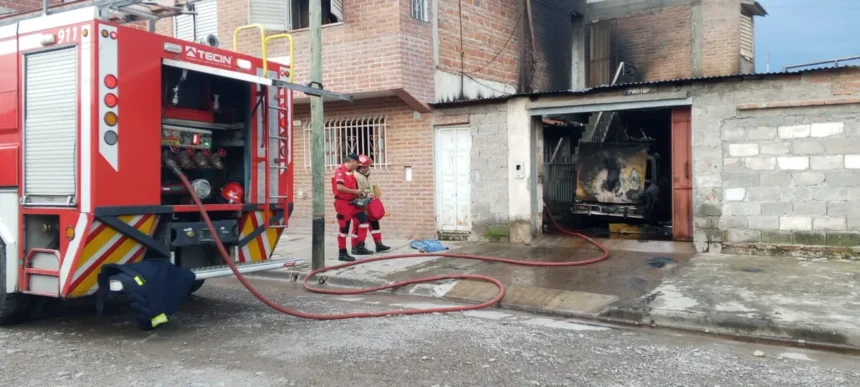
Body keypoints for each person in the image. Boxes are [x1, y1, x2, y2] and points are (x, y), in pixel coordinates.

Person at [332, 153, 373, 262]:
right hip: (343, 204)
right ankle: (342, 252)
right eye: (357, 163)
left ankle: (358, 246)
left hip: (353, 203)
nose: (358, 165)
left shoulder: (350, 172)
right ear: (351, 161)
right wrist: (355, 191)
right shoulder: (340, 171)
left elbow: (354, 188)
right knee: (344, 229)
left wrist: (362, 194)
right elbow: (339, 187)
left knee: (363, 222)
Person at [351, 154, 391, 254]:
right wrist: (367, 193)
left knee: (374, 223)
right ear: (358, 166)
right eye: (364, 167)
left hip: (369, 204)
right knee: (359, 226)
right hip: (360, 205)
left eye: (367, 166)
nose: (366, 168)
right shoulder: (355, 176)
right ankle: (357, 246)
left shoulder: (367, 175)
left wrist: (374, 191)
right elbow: (357, 191)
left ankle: (379, 244)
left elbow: (368, 187)